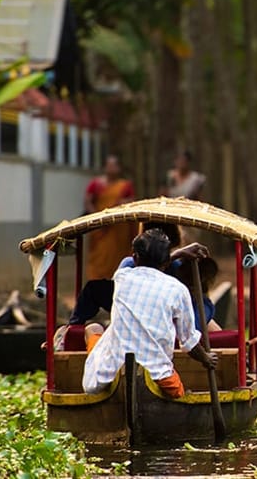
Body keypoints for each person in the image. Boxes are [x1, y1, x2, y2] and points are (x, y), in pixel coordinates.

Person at [82, 229, 217, 399]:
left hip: (110, 372)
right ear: (166, 261)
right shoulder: (178, 290)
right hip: (159, 376)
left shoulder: (122, 276)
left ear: (135, 257)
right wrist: (206, 359)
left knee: (93, 329)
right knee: (179, 393)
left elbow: (135, 265)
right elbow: (189, 343)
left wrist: (177, 254)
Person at [67, 222, 212, 327]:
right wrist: (176, 255)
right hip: (136, 312)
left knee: (205, 306)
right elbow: (121, 290)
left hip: (165, 316)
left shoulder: (177, 270)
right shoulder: (130, 266)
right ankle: (72, 328)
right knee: (94, 289)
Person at [83, 155, 136, 284]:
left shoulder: (125, 186)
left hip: (118, 229)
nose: (111, 168)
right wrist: (97, 218)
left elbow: (132, 201)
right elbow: (88, 201)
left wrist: (120, 204)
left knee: (118, 258)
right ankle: (96, 284)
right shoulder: (96, 184)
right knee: (98, 258)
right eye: (109, 165)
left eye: (114, 165)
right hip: (100, 228)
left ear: (119, 168)